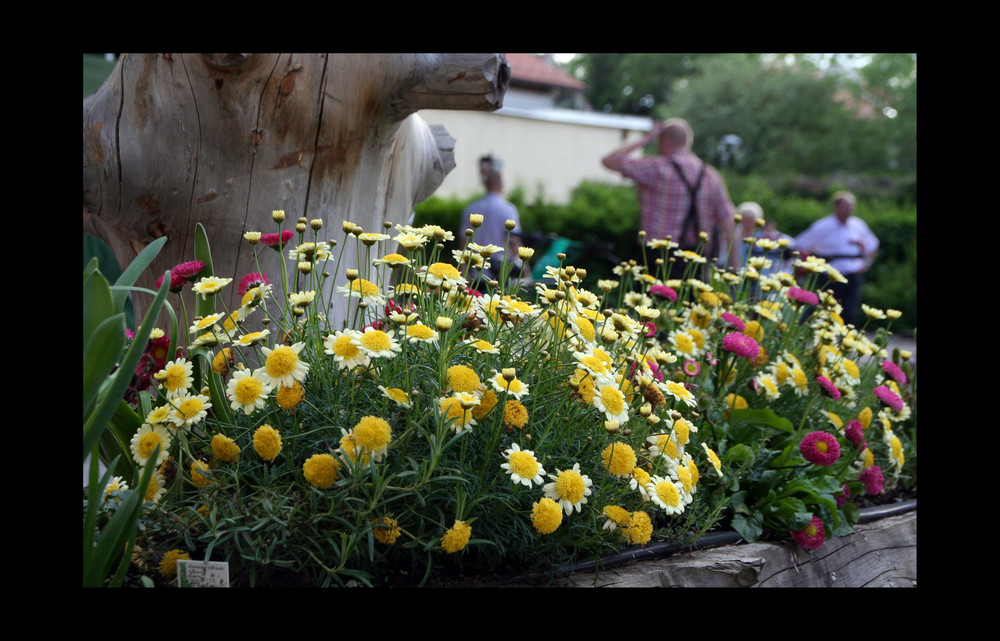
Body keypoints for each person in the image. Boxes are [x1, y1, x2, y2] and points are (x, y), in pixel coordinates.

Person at [602, 117, 738, 276]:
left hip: (659, 256)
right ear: (688, 141)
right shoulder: (710, 175)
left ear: (663, 140)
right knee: (690, 299)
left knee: (652, 299)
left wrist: (646, 138)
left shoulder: (657, 168)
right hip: (696, 259)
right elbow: (730, 222)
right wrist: (734, 269)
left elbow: (609, 161)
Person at [792, 191, 879, 326]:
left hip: (853, 274)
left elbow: (873, 244)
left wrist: (867, 262)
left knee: (850, 312)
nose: (849, 210)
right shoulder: (823, 226)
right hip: (830, 276)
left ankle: (847, 344)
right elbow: (800, 243)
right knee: (823, 310)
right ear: (836, 207)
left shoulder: (858, 225)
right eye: (846, 206)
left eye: (851, 206)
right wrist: (812, 262)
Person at [459, 168, 523, 287]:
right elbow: (514, 241)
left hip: (476, 273)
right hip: (501, 273)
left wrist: (463, 274)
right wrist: (524, 269)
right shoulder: (508, 209)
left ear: (485, 185)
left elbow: (464, 243)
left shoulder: (470, 209)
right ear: (502, 186)